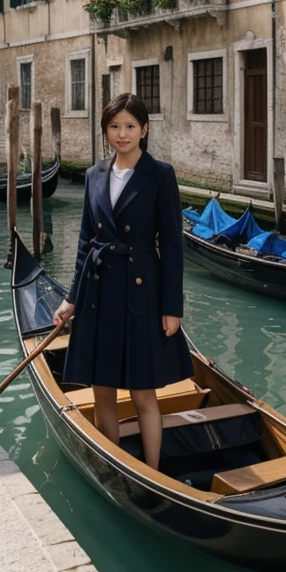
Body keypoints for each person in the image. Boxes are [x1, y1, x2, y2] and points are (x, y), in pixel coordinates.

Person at [52, 93, 193, 472]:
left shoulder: (160, 174)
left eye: (130, 126)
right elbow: (85, 243)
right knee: (102, 391)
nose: (122, 134)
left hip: (141, 289)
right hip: (99, 289)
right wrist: (72, 298)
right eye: (114, 126)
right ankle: (112, 465)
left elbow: (174, 246)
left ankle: (152, 470)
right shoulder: (94, 175)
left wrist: (172, 307)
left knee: (143, 392)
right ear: (106, 131)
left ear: (144, 130)